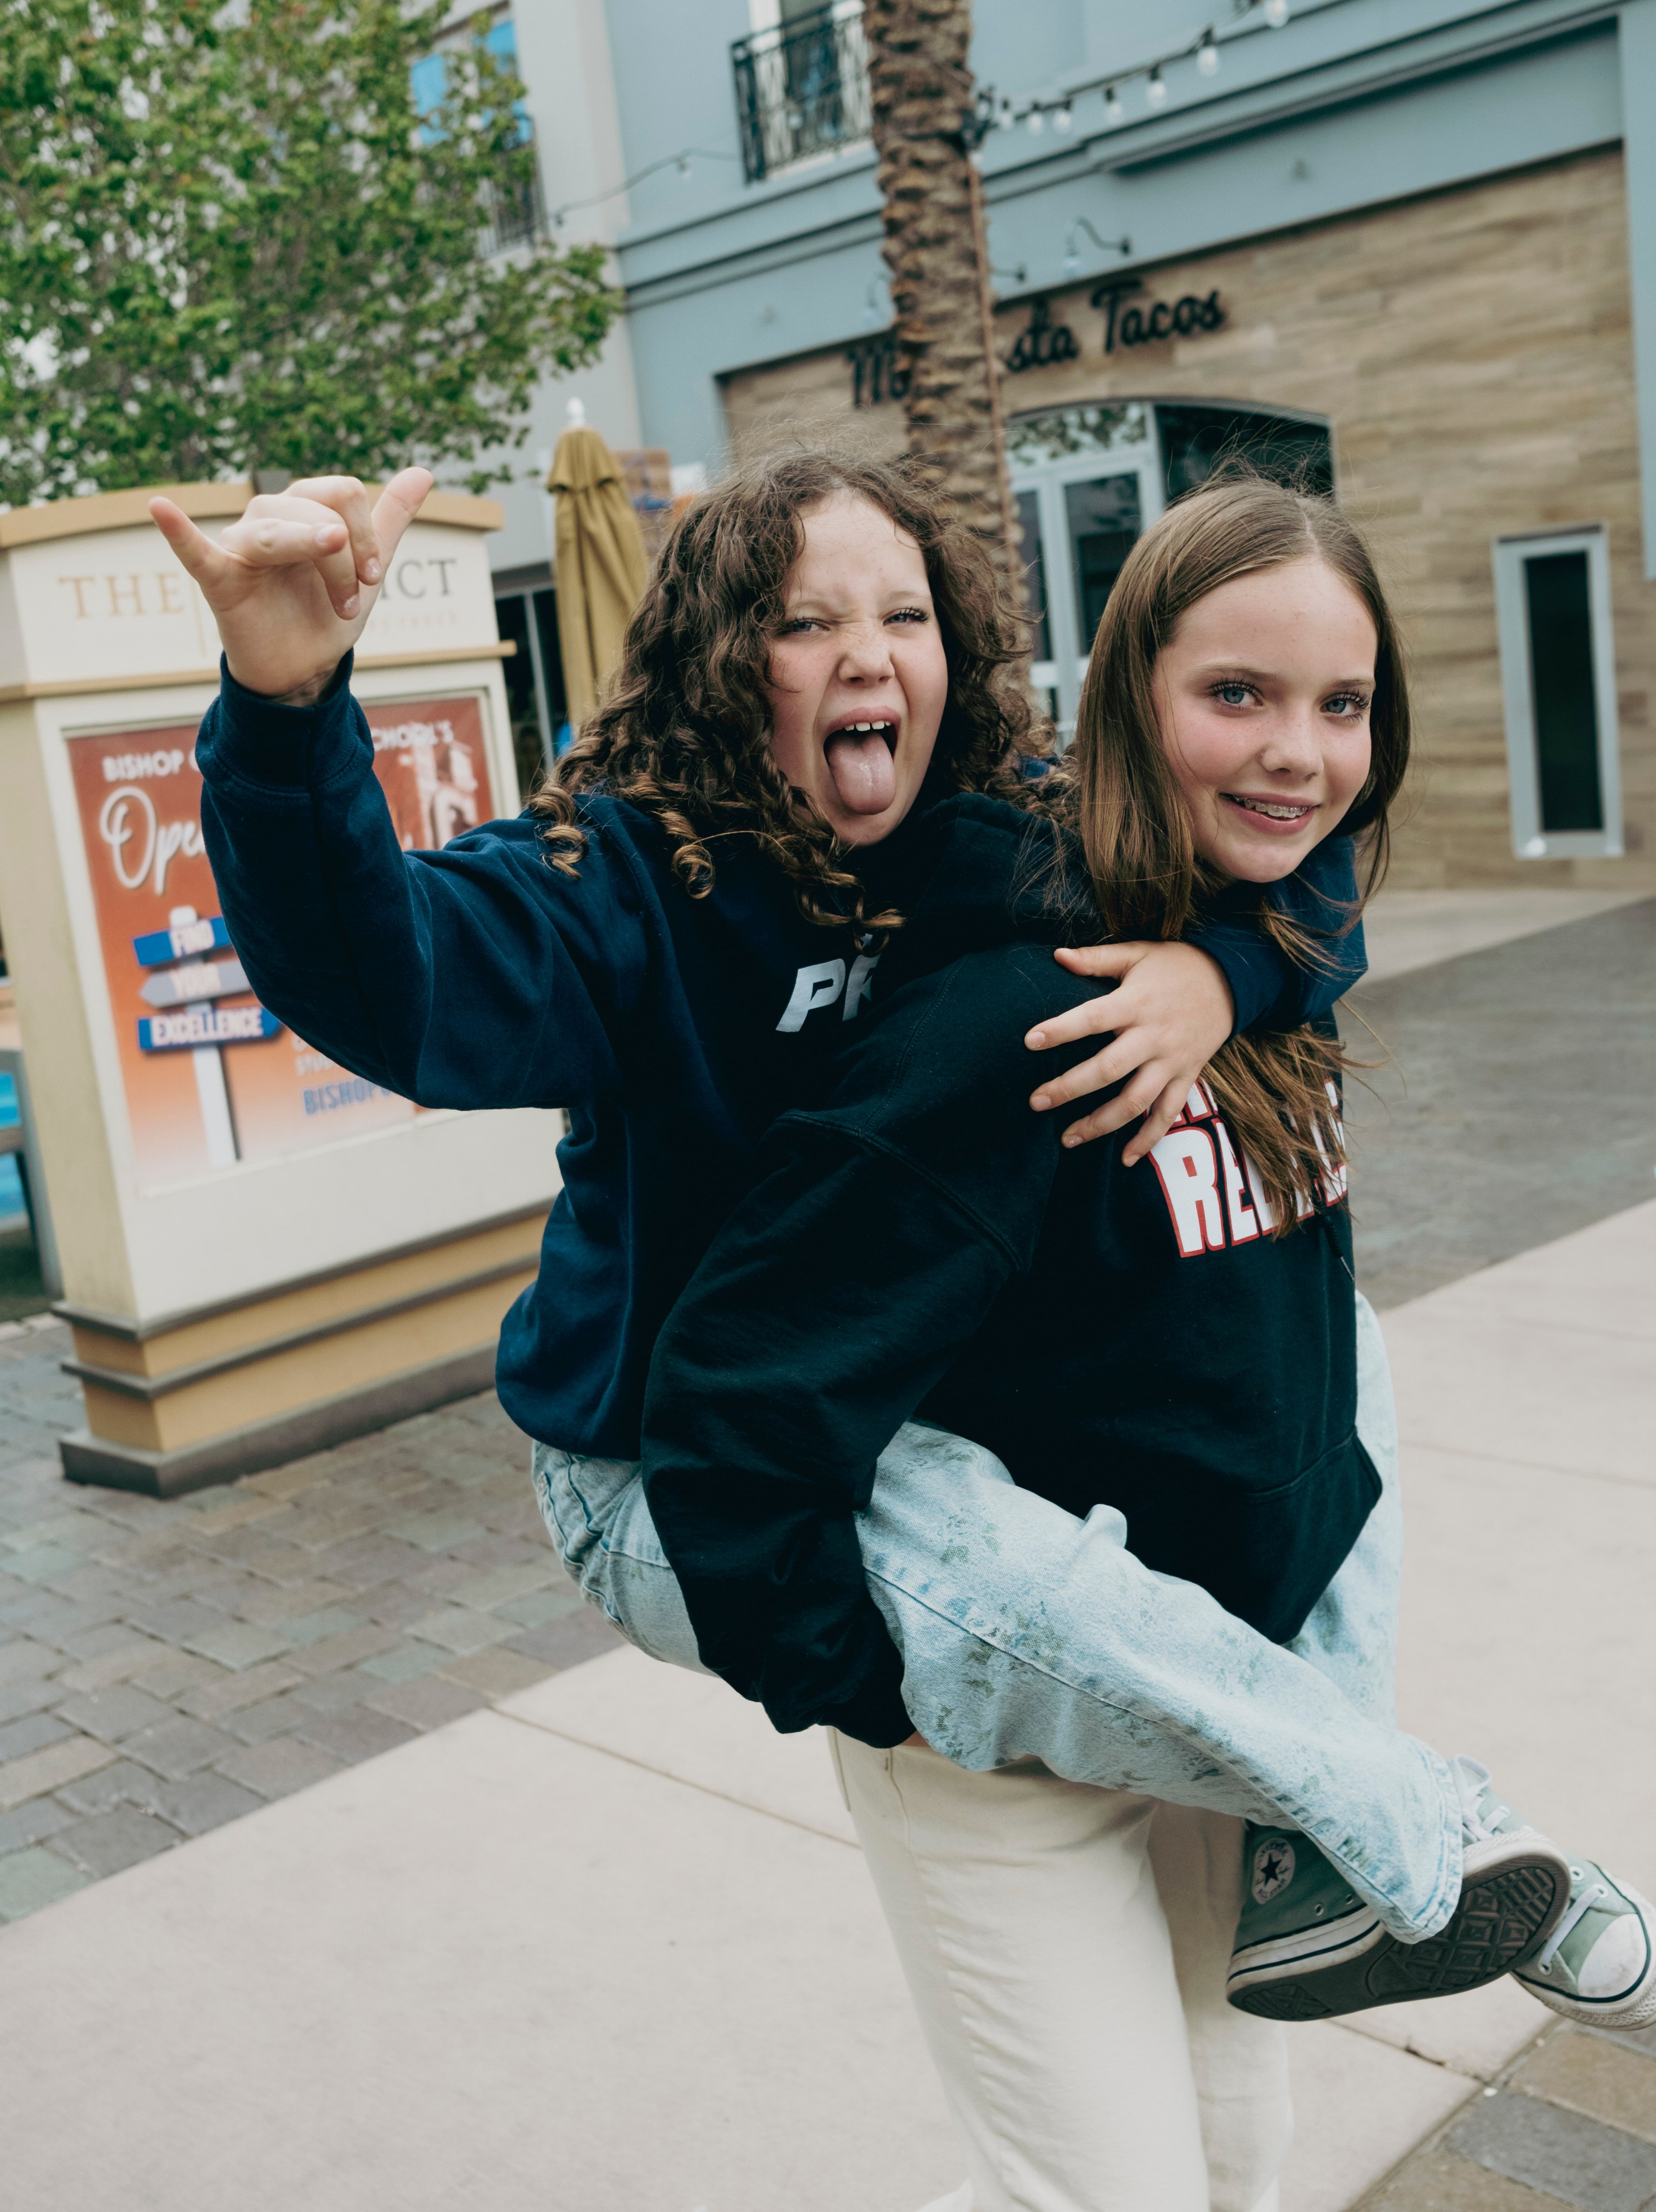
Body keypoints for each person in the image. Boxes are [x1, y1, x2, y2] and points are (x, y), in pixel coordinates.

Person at [542, 475, 1654, 2211]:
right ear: (1131, 689)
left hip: (1230, 1712)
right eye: (1239, 696)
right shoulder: (1018, 1010)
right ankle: (1407, 1818)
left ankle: (1345, 1821)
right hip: (1014, 1754)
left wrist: (1229, 972)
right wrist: (874, 1684)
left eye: (1341, 703)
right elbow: (740, 1384)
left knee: (1241, 2153)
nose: (1298, 751)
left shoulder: (1270, 936)